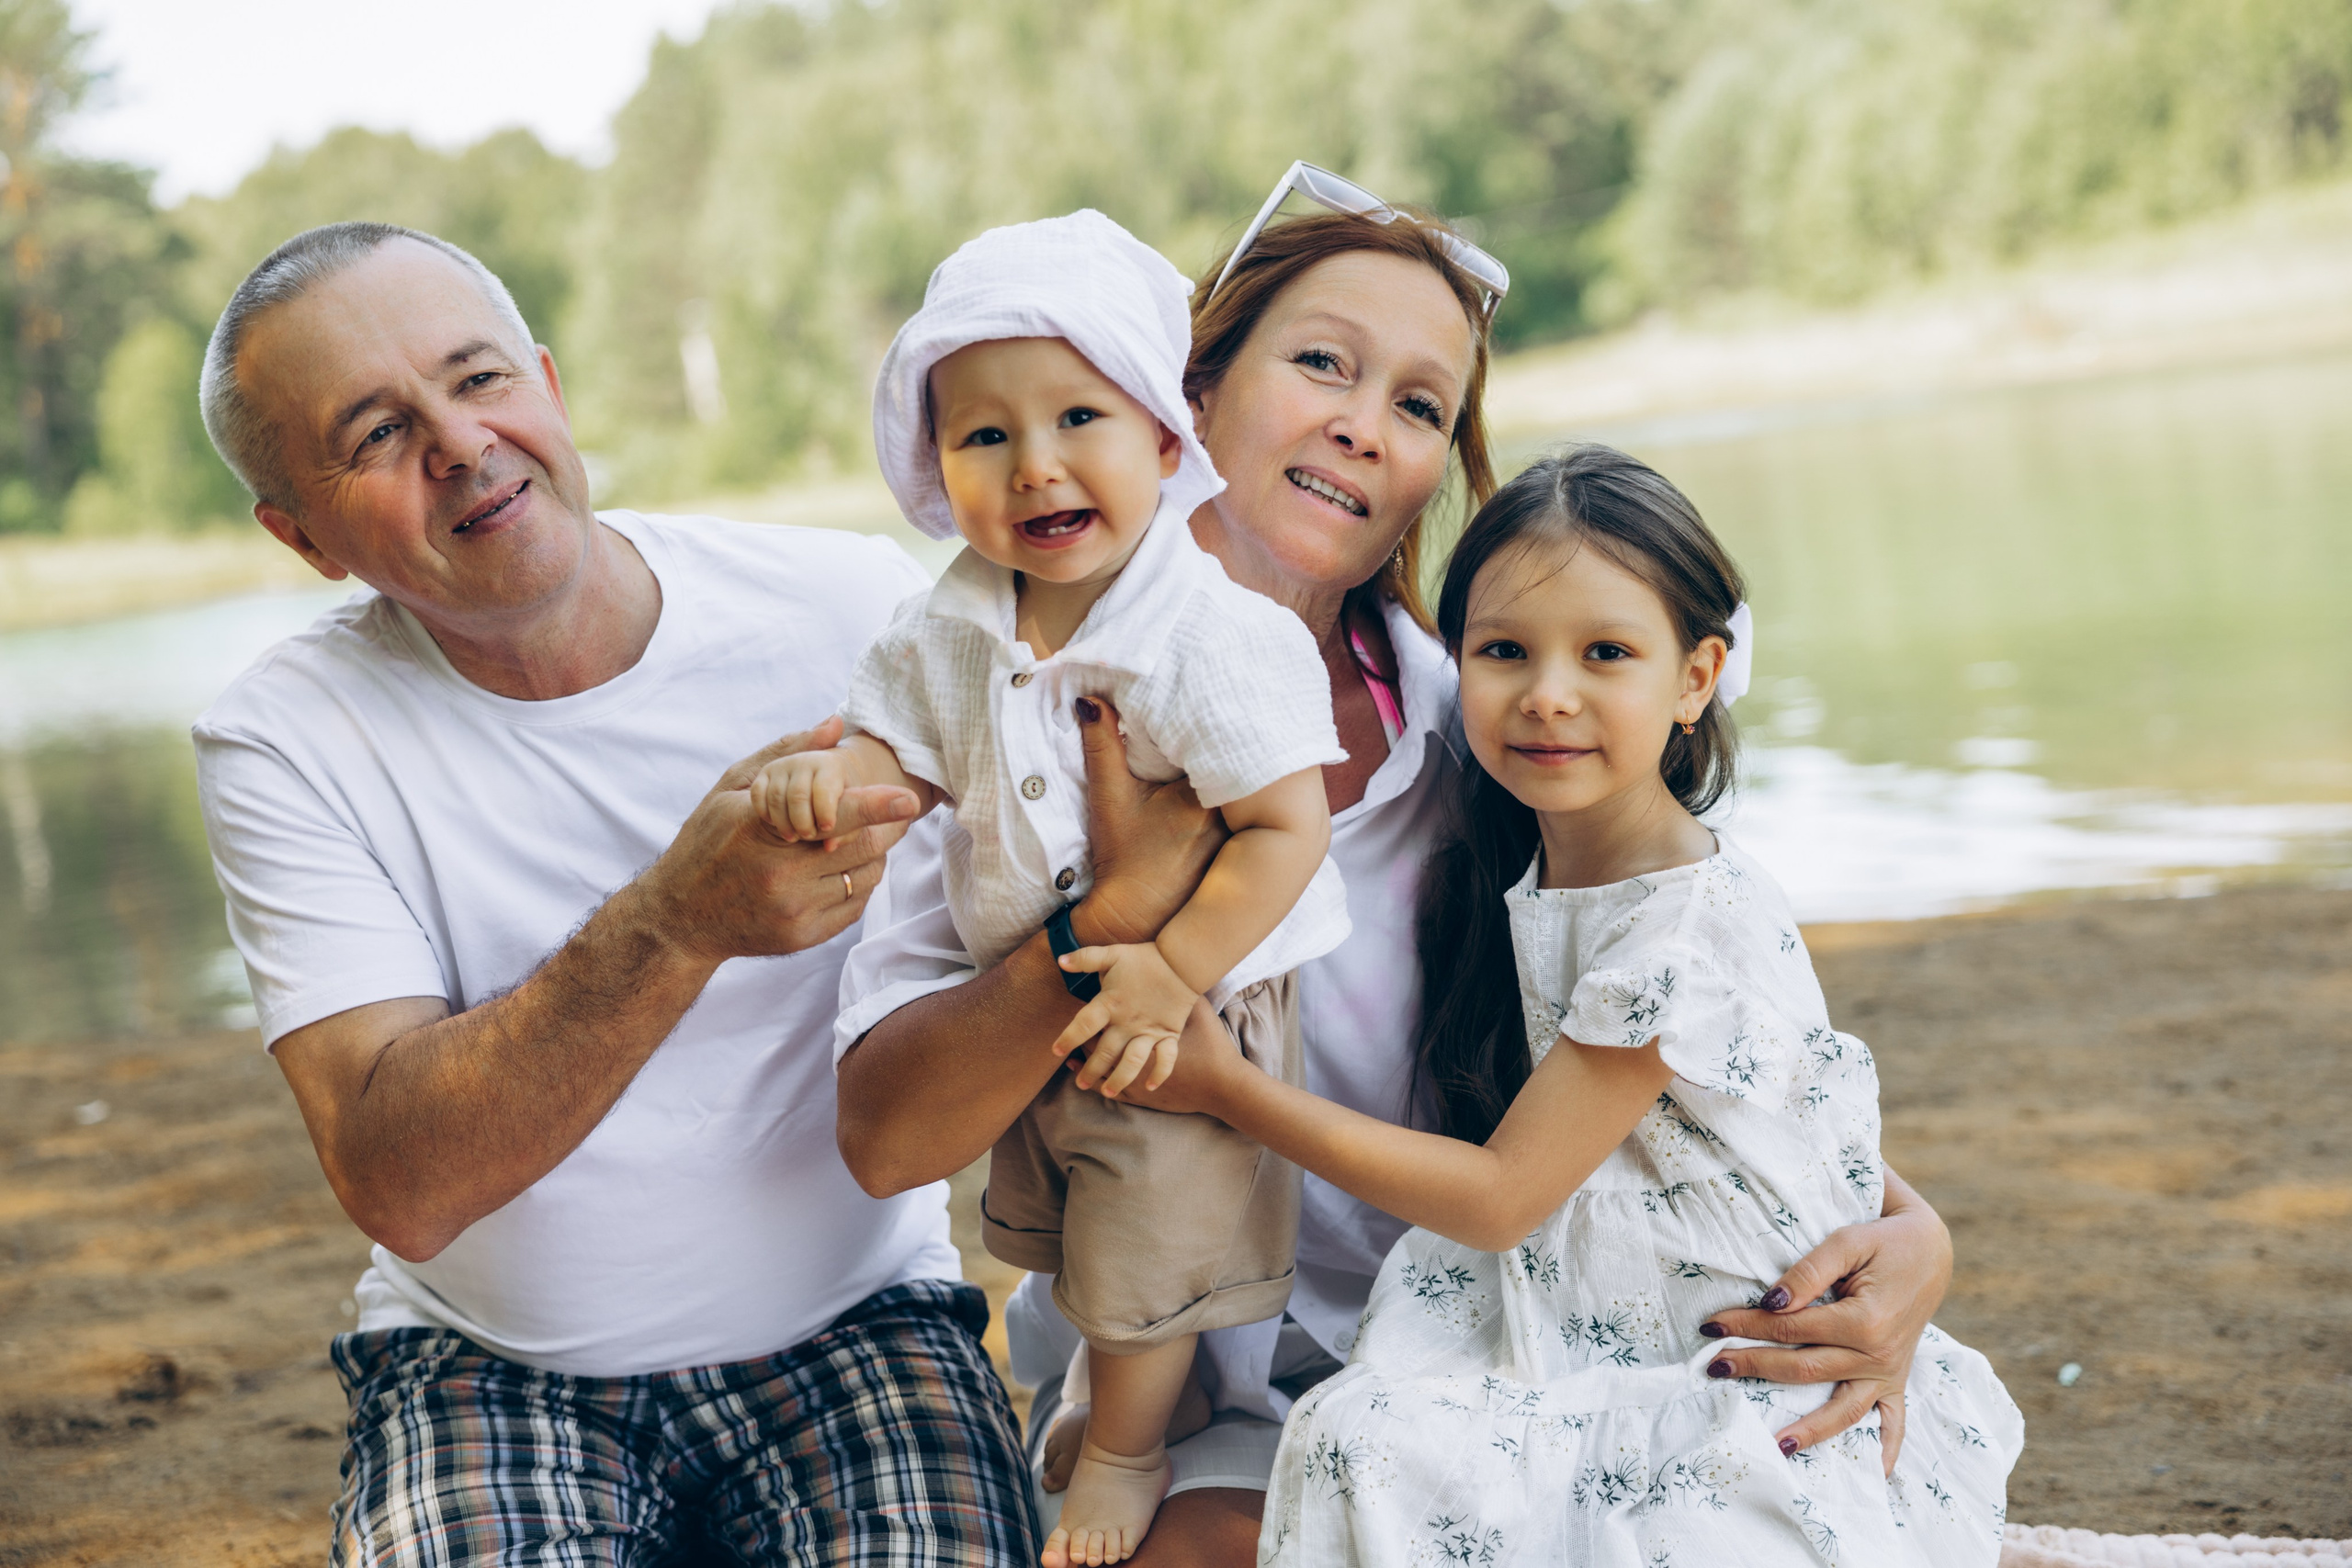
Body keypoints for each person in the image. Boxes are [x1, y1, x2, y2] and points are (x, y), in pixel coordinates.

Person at [831, 167, 1962, 1566]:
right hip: (1178, 1371)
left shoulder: (1482, 724)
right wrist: (1111, 916)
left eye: (1421, 405)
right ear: (1184, 394)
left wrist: (1913, 1237)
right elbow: (888, 1139)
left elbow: (1672, 1023)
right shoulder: (1001, 699)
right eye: (1322, 363)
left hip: (1482, 1335)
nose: (1365, 427)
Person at [189, 220, 1039, 1564]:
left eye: (478, 381)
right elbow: (399, 1181)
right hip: (488, 1362)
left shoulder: (855, 608)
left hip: (860, 1313)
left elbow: (1050, 905)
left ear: (550, 384)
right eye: (374, 433)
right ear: (303, 537)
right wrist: (676, 917)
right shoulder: (285, 736)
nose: (460, 444)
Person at [1159, 446, 2023, 1565]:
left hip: (1722, 1346)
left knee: (1374, 1445)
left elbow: (1500, 1199)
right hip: (1598, 1316)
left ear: (1695, 677)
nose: (1547, 694)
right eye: (1503, 651)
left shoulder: (1680, 928)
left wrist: (1226, 1087)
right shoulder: (1538, 876)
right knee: (1363, 1437)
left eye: (1605, 653)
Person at [757, 210, 1349, 1568]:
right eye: (983, 437)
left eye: (1080, 414)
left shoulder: (1208, 636)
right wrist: (830, 782)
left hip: (1181, 1008)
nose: (1035, 466)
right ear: (931, 464)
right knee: (1057, 1227)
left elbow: (1282, 826)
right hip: (1031, 1004)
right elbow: (886, 745)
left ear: (1159, 437)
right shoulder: (941, 624)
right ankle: (1117, 1389)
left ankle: (1133, 1443)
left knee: (1148, 1241)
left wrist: (1176, 963)